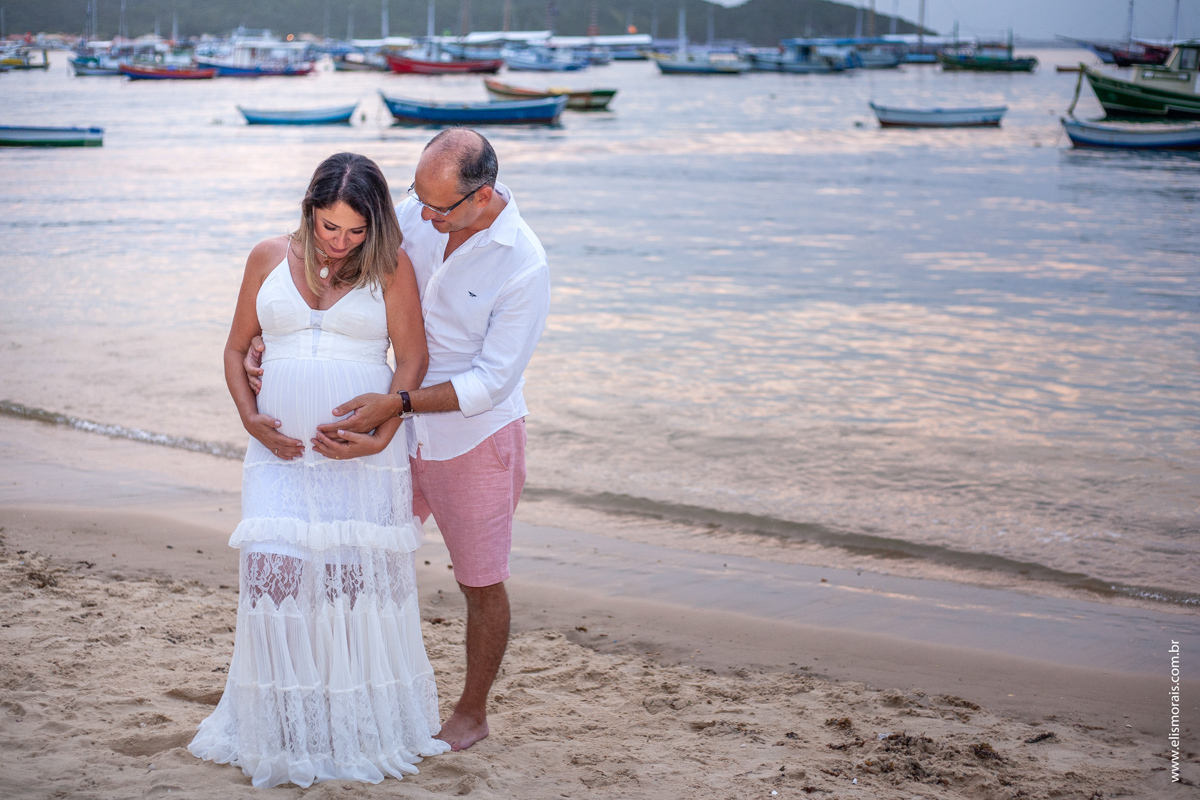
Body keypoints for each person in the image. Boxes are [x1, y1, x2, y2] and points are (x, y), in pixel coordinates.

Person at [246, 129, 550, 752]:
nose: (425, 216)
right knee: (346, 559)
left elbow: (490, 383)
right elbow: (329, 270)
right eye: (419, 198)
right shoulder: (411, 216)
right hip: (383, 423)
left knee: (480, 580)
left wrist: (398, 406)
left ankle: (472, 711)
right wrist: (269, 340)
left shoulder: (523, 262)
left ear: (482, 195)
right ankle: (341, 690)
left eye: (441, 208)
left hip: (472, 436)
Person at [190, 152, 451, 788]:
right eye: (331, 227)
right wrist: (250, 418)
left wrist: (383, 431)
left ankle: (350, 727)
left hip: (359, 458)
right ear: (309, 211)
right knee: (274, 580)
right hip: (276, 457)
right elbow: (233, 348)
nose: (342, 243)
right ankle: (281, 727)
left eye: (356, 231)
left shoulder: (389, 267)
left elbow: (410, 364)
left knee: (348, 591)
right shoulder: (265, 257)